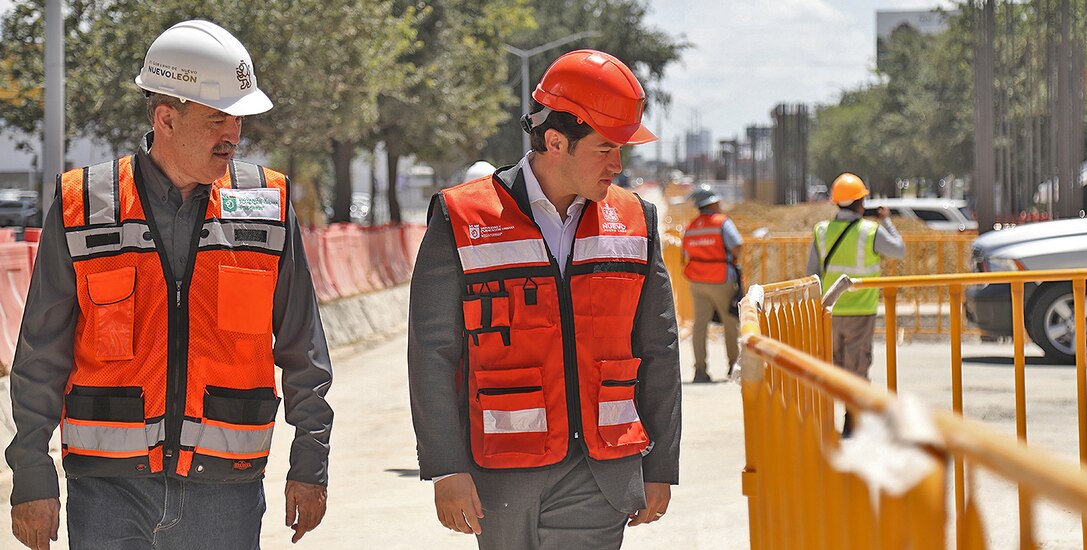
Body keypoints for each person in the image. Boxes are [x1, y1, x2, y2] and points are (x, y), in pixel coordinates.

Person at [5, 20, 333, 549]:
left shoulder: (267, 205)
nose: (233, 134)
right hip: (107, 493)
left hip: (227, 491)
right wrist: (31, 473)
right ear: (166, 118)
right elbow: (41, 353)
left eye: (238, 119)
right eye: (217, 118)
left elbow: (304, 349)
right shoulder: (81, 205)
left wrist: (311, 461)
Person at [408, 49, 681, 549]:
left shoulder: (637, 219)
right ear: (555, 141)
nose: (618, 166)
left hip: (600, 473)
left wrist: (662, 464)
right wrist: (446, 467)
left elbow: (659, 347)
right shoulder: (461, 217)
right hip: (500, 474)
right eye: (604, 149)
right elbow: (432, 352)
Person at [806, 172, 904, 436]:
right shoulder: (870, 231)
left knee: (832, 368)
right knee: (857, 368)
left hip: (830, 311)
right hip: (860, 311)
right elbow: (899, 250)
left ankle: (830, 421)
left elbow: (811, 273)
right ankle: (853, 420)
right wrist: (887, 222)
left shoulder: (822, 231)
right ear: (861, 203)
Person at [681, 188, 743, 383]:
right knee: (730, 323)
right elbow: (737, 245)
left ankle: (700, 371)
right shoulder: (722, 222)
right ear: (711, 204)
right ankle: (733, 367)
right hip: (721, 279)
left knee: (699, 326)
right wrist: (731, 261)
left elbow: (684, 254)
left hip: (697, 281)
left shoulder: (691, 226)